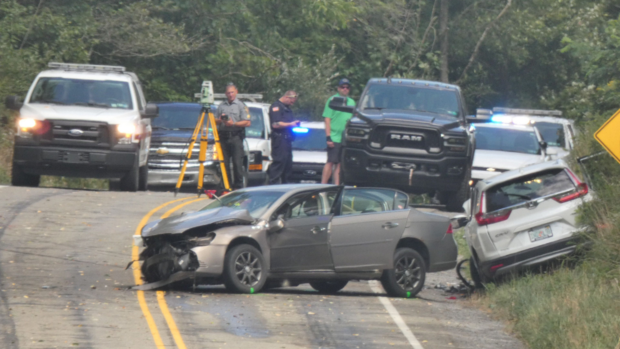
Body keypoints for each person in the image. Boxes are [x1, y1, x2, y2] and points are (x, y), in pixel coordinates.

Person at [215, 83, 251, 189]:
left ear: (236, 92)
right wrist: (220, 120)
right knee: (224, 164)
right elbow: (215, 121)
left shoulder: (241, 105)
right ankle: (227, 186)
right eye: (228, 93)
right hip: (223, 137)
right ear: (225, 94)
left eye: (232, 92)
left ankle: (238, 187)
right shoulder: (221, 106)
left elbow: (247, 122)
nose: (230, 95)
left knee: (237, 164)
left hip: (236, 137)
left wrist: (233, 124)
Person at [321, 78, 356, 184]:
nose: (345, 89)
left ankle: (336, 186)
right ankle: (323, 185)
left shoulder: (351, 102)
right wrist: (328, 137)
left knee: (340, 163)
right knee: (331, 161)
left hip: (345, 138)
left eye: (347, 87)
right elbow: (327, 119)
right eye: (342, 87)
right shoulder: (332, 100)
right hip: (334, 137)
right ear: (338, 88)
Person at [267, 91, 300, 184]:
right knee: (279, 163)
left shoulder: (287, 108)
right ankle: (273, 187)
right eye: (291, 101)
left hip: (287, 140)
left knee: (287, 167)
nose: (292, 104)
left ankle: (286, 188)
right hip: (279, 140)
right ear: (287, 97)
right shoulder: (276, 107)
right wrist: (291, 124)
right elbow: (275, 124)